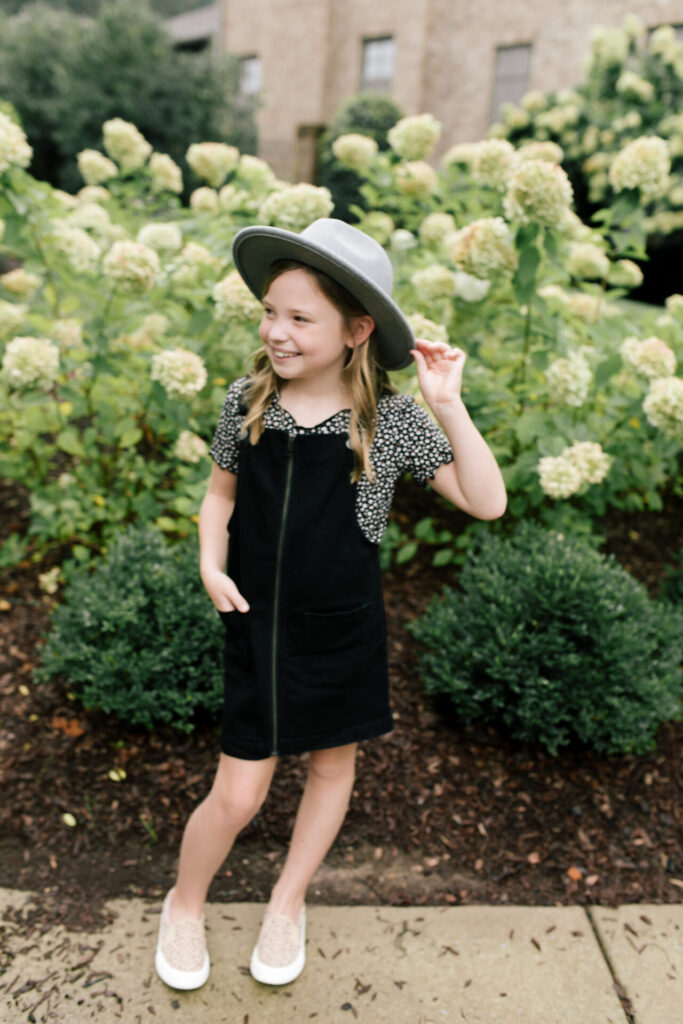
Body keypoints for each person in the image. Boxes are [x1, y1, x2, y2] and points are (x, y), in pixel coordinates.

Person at [154, 218, 506, 991]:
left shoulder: (391, 422)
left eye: (298, 317)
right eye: (269, 311)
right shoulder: (245, 401)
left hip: (342, 633)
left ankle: (287, 901)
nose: (275, 331)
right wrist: (209, 564)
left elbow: (485, 502)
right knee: (239, 791)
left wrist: (448, 404)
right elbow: (218, 499)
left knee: (328, 767)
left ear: (356, 330)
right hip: (256, 625)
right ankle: (183, 905)